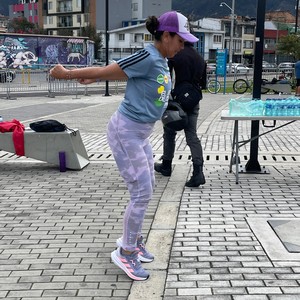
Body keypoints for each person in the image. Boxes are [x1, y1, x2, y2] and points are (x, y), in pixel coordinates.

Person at [50, 11, 198, 281]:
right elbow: (115, 67)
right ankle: (126, 252)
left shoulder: (162, 58)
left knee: (148, 185)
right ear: (166, 36)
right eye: (181, 40)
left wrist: (97, 78)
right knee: (141, 191)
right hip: (125, 132)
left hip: (139, 134)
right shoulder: (149, 55)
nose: (183, 46)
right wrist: (68, 74)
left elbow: (127, 75)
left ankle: (133, 241)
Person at [154, 41, 206, 187]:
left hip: (177, 101)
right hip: (194, 100)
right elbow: (204, 84)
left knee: (169, 132)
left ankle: (166, 165)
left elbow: (167, 79)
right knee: (192, 135)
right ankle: (198, 172)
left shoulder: (176, 55)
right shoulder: (200, 58)